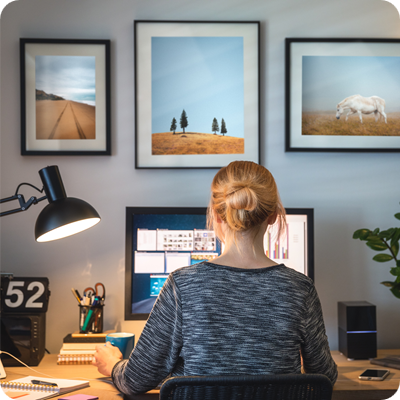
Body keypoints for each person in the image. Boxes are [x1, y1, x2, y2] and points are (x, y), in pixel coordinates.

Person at [93, 161, 338, 394]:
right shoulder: (300, 288)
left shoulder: (182, 284)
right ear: (273, 215)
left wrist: (113, 364)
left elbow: (136, 380)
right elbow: (324, 376)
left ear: (217, 215)